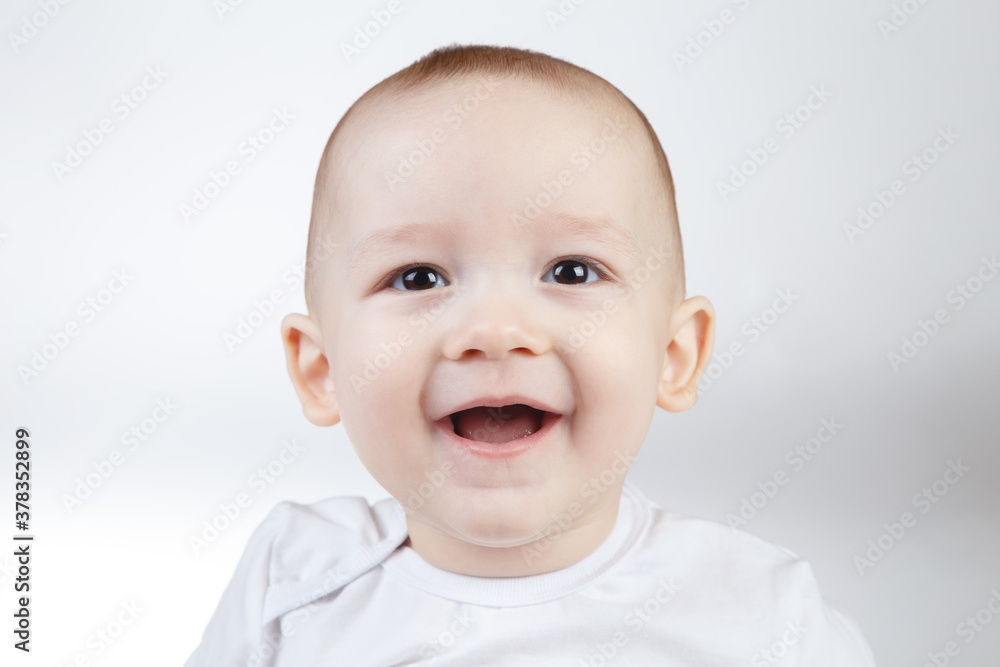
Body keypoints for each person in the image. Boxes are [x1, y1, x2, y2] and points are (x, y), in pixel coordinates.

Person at [185, 44, 876, 665]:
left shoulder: (760, 614)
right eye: (419, 276)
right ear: (322, 369)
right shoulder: (295, 580)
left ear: (674, 354)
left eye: (571, 271)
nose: (494, 329)